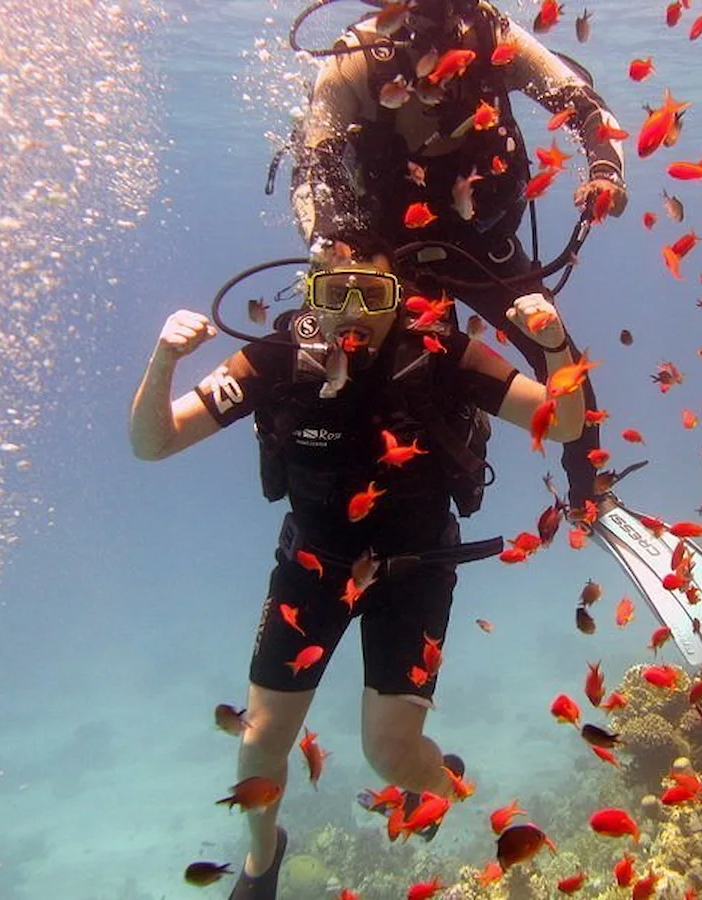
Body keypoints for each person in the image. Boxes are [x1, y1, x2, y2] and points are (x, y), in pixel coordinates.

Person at [128, 229, 586, 900]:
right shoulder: (277, 359)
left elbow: (564, 424)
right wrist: (164, 357)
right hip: (313, 566)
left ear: (398, 296)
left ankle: (441, 783)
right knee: (260, 743)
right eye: (334, 292)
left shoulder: (441, 353)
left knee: (389, 756)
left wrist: (554, 345)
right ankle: (261, 859)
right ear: (309, 293)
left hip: (414, 568)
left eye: (372, 294)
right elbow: (153, 442)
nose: (353, 312)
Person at [289, 0, 626, 510]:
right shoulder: (357, 57)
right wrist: (333, 251)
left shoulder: (494, 36)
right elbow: (313, 163)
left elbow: (584, 106)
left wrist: (605, 173)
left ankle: (586, 494)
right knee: (356, 376)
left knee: (562, 363)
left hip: (483, 245)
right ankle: (347, 510)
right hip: (386, 259)